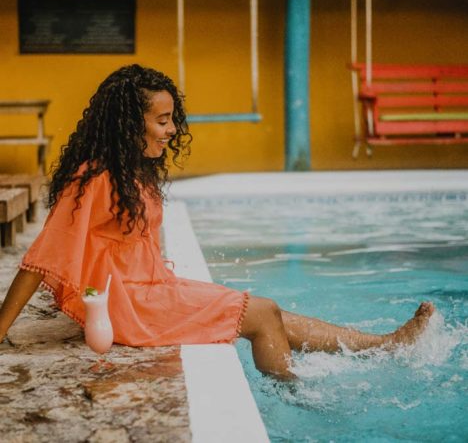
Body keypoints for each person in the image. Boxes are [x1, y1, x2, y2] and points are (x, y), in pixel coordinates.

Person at [0, 64, 434, 380]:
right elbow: (41, 258)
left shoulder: (132, 171)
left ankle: (381, 345)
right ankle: (298, 398)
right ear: (130, 124)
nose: (171, 130)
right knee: (261, 314)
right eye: (162, 120)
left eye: (172, 119)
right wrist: (1, 329)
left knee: (270, 311)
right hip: (129, 307)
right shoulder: (95, 177)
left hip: (148, 292)